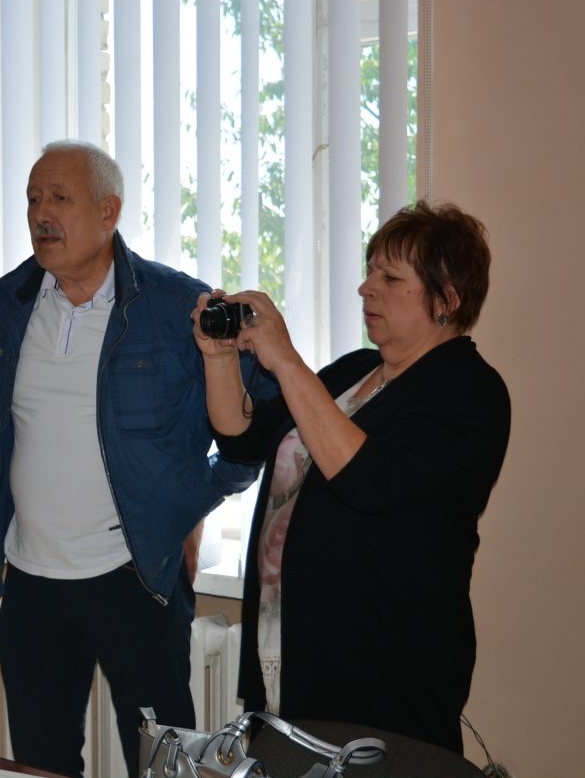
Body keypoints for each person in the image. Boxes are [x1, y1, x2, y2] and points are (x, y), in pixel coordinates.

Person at [0, 140, 261, 778]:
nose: (41, 213)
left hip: (133, 578)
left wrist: (188, 503)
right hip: (32, 582)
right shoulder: (9, 305)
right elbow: (2, 433)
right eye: (33, 199)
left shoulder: (174, 306)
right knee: (40, 767)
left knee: (163, 767)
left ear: (109, 212)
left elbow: (253, 426)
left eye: (60, 198)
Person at [194, 200, 510, 754]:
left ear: (446, 299)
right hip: (290, 650)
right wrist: (218, 358)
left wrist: (286, 361)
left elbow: (371, 480)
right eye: (369, 272)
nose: (366, 288)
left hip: (383, 671)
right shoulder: (355, 370)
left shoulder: (470, 392)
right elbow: (245, 436)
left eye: (390, 278)